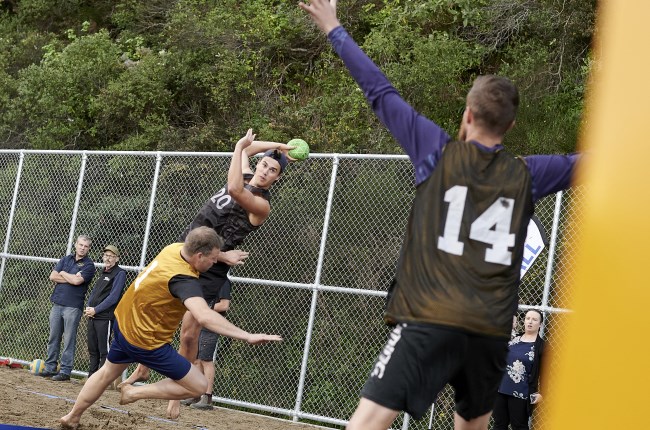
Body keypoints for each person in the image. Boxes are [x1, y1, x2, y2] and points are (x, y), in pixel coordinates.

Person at [299, 1, 579, 429]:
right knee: (471, 424)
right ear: (510, 126)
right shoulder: (528, 174)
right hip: (488, 329)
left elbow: (380, 91)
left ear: (467, 115)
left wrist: (333, 27)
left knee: (369, 420)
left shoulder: (436, 153)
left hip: (432, 315)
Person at [120, 128, 295, 418]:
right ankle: (139, 366)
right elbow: (246, 153)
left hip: (211, 269)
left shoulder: (261, 205)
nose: (264, 171)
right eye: (264, 165)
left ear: (277, 178)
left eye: (273, 170)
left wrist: (241, 147)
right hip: (188, 254)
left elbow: (237, 188)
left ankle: (176, 394)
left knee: (189, 334)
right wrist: (276, 145)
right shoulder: (248, 174)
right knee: (158, 312)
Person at [59, 226, 282, 430]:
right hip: (145, 340)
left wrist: (224, 255)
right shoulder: (183, 279)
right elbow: (204, 316)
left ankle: (72, 416)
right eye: (214, 259)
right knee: (198, 385)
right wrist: (247, 335)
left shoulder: (173, 249)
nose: (215, 263)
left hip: (124, 322)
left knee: (107, 372)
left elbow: (201, 247)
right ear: (199, 256)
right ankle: (134, 391)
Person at [39, 235, 95, 382]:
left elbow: (77, 281)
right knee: (53, 337)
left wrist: (63, 273)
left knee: (69, 340)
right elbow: (52, 276)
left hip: (73, 306)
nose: (82, 248)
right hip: (57, 304)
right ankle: (50, 368)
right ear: (76, 245)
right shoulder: (66, 259)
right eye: (80, 245)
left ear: (88, 248)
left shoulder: (89, 265)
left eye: (86, 246)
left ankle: (65, 371)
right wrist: (69, 276)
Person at [492, 309, 545, 430]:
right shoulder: (513, 338)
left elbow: (547, 372)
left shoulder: (542, 347)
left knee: (519, 426)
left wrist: (542, 392)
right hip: (501, 389)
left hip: (521, 393)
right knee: (499, 424)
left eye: (534, 319)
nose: (530, 322)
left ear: (540, 324)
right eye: (527, 318)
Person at [183, 279, 231, 410]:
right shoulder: (208, 281)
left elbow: (224, 305)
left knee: (206, 360)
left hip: (212, 324)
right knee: (196, 359)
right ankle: (196, 393)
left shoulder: (223, 282)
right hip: (200, 323)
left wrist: (203, 308)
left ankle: (207, 396)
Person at [84, 245, 127, 378]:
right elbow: (94, 293)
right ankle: (91, 377)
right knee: (92, 348)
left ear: (117, 259)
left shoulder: (120, 273)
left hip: (104, 317)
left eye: (111, 256)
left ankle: (103, 379)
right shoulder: (103, 272)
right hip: (93, 316)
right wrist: (89, 307)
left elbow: (113, 297)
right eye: (106, 255)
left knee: (104, 350)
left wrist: (96, 309)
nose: (108, 258)